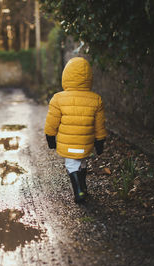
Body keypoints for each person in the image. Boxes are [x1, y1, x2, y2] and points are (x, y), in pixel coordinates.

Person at [44, 57, 107, 203]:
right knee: (82, 162)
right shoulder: (96, 99)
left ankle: (78, 192)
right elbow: (100, 125)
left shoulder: (58, 99)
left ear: (66, 76)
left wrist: (50, 137)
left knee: (72, 164)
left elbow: (51, 122)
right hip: (85, 143)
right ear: (89, 78)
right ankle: (83, 188)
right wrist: (100, 141)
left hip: (69, 143)